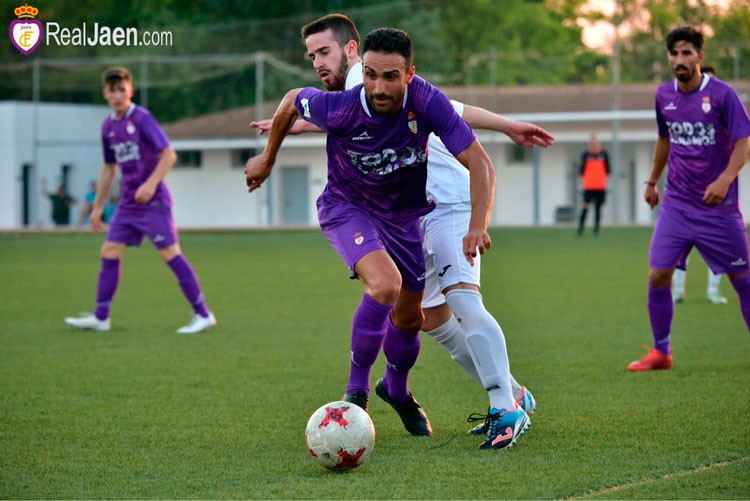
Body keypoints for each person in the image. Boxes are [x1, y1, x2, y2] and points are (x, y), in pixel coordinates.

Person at [252, 14, 552, 449]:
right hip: (404, 210)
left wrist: (477, 225)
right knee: (427, 318)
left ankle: (503, 406)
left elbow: (449, 122)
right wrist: (507, 124)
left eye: (324, 52)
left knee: (461, 299)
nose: (318, 62)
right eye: (311, 55)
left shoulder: (368, 73)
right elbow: (318, 107)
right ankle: (511, 391)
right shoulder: (359, 90)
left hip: (446, 199)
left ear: (351, 50)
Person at [628, 26, 750, 372]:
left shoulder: (724, 96)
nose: (679, 60)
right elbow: (664, 139)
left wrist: (725, 180)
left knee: (743, 280)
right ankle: (662, 353)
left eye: (686, 53)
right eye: (674, 53)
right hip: (677, 205)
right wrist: (652, 181)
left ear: (700, 57)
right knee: (658, 276)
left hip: (718, 210)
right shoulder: (663, 94)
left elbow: (744, 141)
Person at [64, 67, 216, 335]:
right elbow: (109, 168)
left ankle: (203, 314)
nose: (117, 95)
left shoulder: (142, 118)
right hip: (128, 203)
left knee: (170, 254)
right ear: (105, 94)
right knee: (109, 251)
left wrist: (150, 184)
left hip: (153, 201)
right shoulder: (108, 127)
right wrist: (97, 207)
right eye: (112, 90)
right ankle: (101, 317)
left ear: (130, 91)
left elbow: (168, 155)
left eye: (122, 90)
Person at [669, 65, 727, 305]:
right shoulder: (682, 116)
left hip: (716, 195)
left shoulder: (725, 115)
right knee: (682, 247)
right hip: (686, 194)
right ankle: (677, 291)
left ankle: (713, 291)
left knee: (718, 247)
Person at [576, 133, 609, 236]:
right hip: (589, 186)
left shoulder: (604, 155)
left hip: (600, 186)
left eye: (596, 142)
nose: (594, 144)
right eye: (592, 142)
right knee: (585, 207)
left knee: (598, 209)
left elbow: (608, 171)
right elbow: (581, 172)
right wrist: (582, 183)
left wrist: (606, 184)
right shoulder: (586, 155)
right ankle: (580, 229)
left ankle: (596, 231)